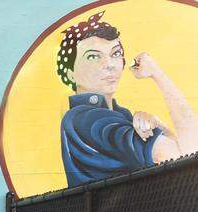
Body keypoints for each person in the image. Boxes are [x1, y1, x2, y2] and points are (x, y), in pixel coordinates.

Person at [58, 12, 198, 187]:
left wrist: (157, 123)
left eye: (115, 54)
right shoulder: (87, 118)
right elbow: (189, 154)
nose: (109, 64)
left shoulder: (119, 115)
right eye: (93, 56)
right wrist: (158, 75)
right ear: (70, 73)